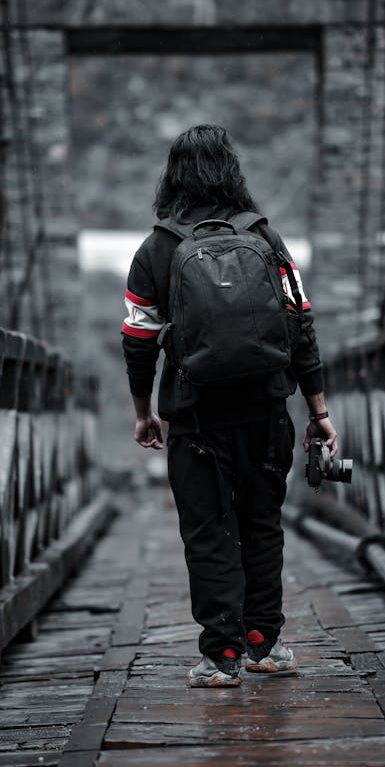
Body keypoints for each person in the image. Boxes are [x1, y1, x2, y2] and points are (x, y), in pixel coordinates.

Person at [121, 124, 337, 687]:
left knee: (208, 530)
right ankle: (264, 643)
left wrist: (143, 411)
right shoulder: (265, 240)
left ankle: (221, 656)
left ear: (172, 178)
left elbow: (138, 339)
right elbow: (301, 327)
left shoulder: (157, 248)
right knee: (262, 523)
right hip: (267, 411)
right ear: (232, 172)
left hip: (194, 417)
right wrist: (318, 411)